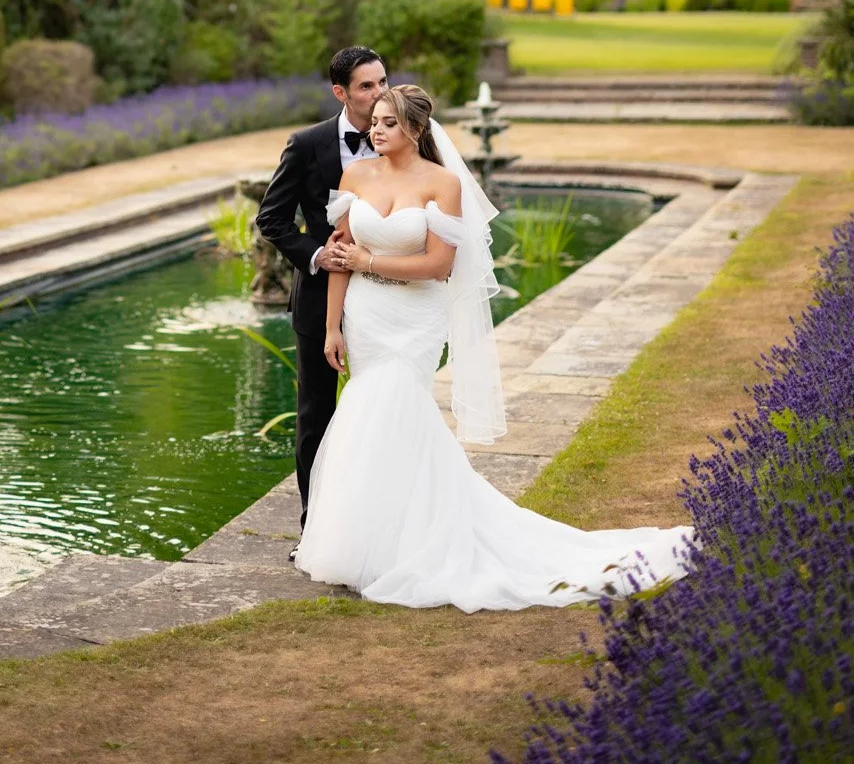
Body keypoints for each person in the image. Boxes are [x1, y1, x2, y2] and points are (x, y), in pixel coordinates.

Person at [292, 81, 694, 609]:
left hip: (414, 317)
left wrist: (368, 261)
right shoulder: (355, 175)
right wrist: (332, 327)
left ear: (415, 128)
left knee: (396, 408)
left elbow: (439, 266)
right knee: (368, 412)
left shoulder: (443, 183)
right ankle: (368, 540)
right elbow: (340, 254)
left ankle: (409, 543)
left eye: (389, 123)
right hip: (365, 314)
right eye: (376, 122)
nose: (377, 130)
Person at [255, 46, 389, 534]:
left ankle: (376, 524)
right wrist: (316, 254)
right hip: (317, 302)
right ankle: (315, 528)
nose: (378, 93)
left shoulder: (407, 138)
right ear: (340, 93)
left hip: (386, 298)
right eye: (366, 86)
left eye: (382, 82)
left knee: (386, 412)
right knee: (316, 416)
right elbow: (271, 218)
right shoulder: (307, 144)